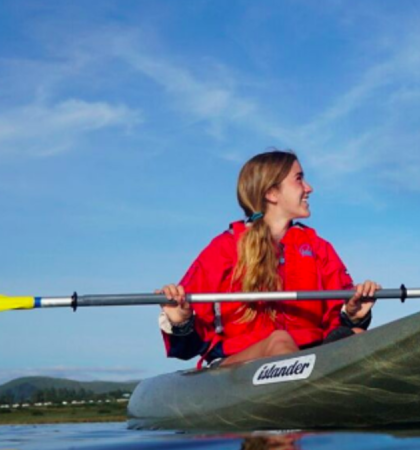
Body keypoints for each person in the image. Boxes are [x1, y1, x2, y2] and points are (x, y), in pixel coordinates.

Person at [157, 151, 380, 368]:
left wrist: (352, 315)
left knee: (357, 336)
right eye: (299, 179)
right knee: (280, 341)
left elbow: (337, 324)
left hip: (311, 357)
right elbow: (189, 346)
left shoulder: (318, 247)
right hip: (238, 363)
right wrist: (181, 322)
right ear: (272, 193)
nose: (309, 188)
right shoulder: (224, 248)